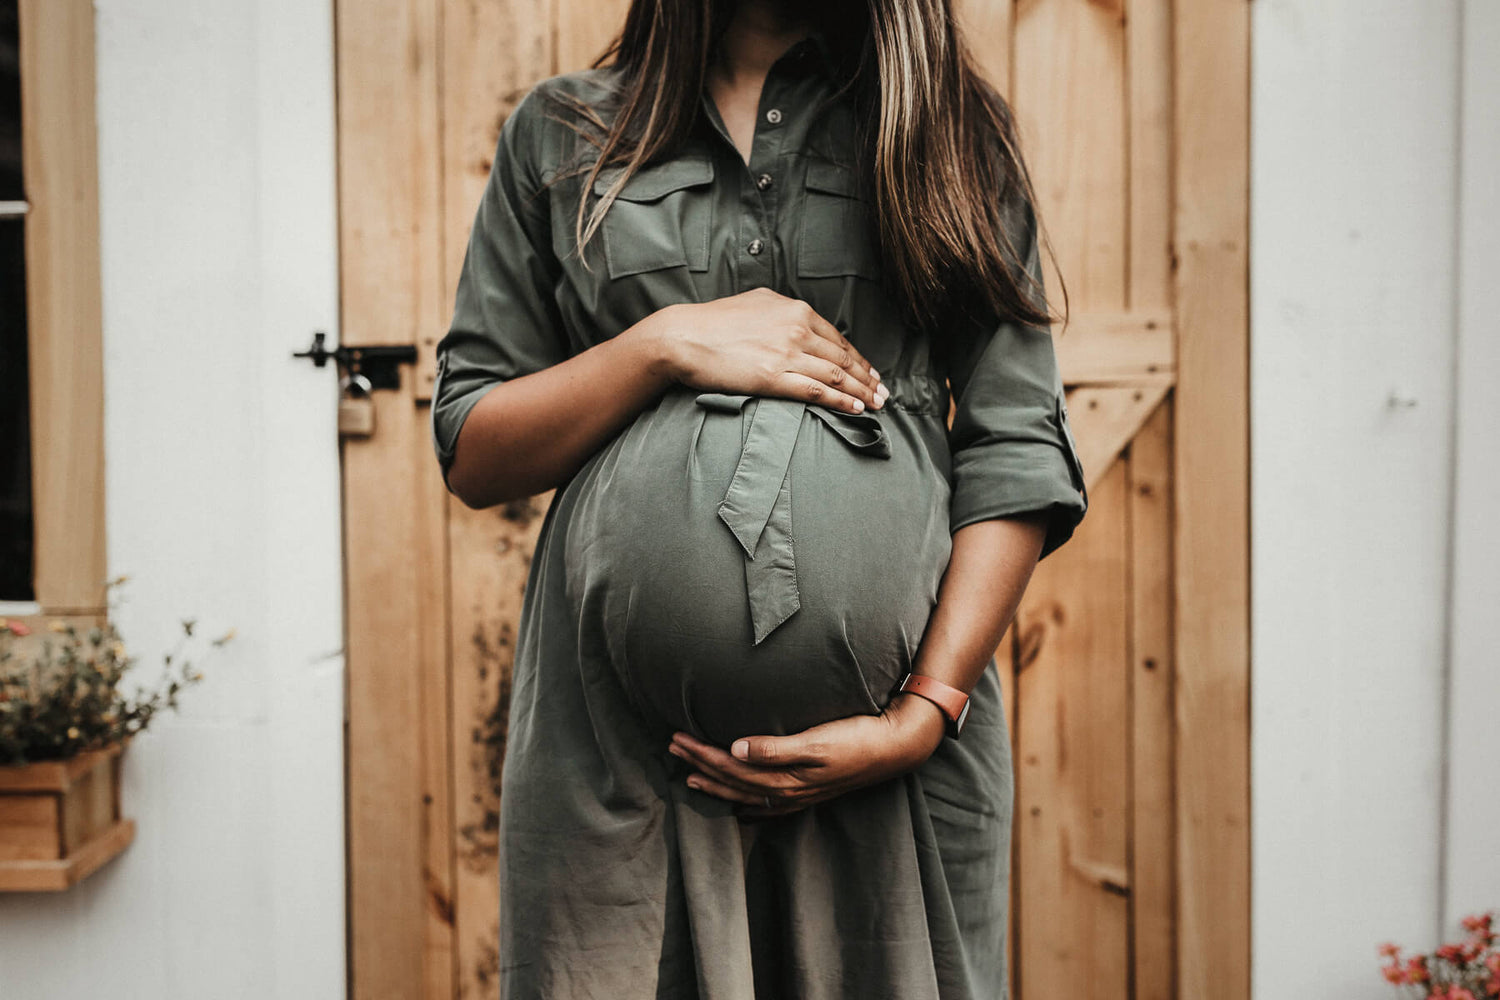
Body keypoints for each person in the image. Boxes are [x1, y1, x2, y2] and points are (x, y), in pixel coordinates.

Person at [430, 1, 1088, 996]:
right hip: (621, 770)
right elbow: (475, 448)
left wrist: (921, 712)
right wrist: (660, 345)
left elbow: (1016, 443)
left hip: (894, 767)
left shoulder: (946, 131)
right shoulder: (560, 135)